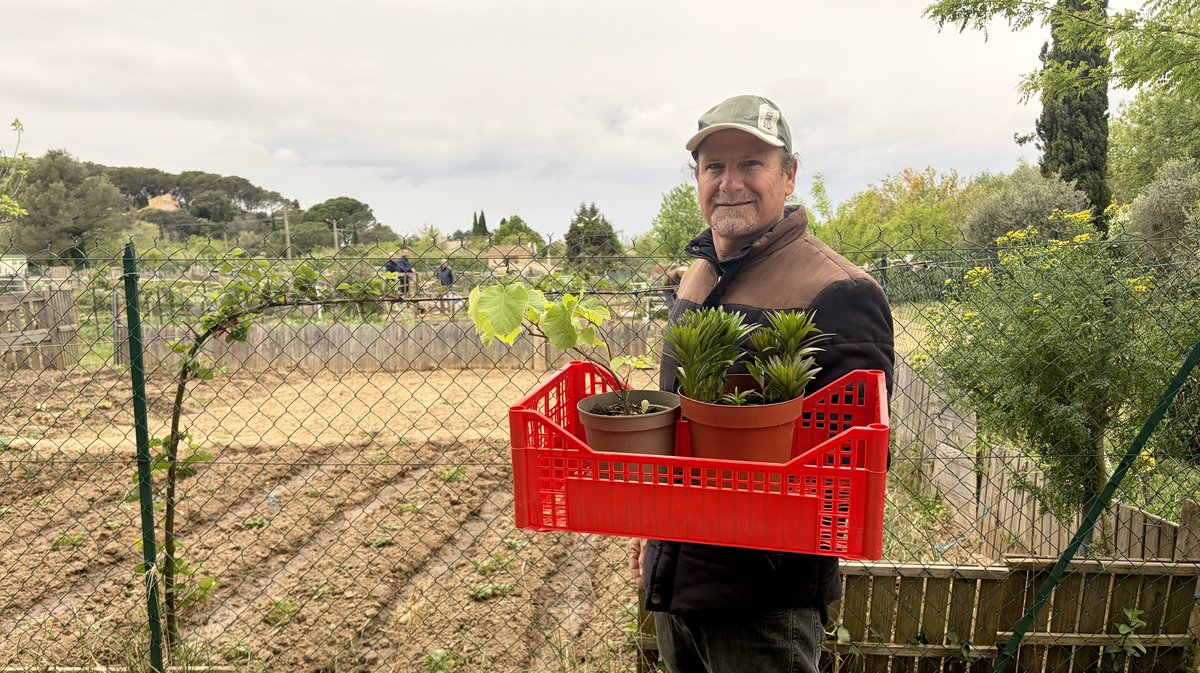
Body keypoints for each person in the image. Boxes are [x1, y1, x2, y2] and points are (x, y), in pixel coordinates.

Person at [630, 95, 895, 672]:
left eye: (751, 163)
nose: (730, 183)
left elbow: (855, 466)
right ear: (697, 179)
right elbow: (677, 425)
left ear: (789, 174)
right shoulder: (699, 273)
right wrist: (655, 530)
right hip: (677, 582)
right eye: (714, 166)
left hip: (762, 605)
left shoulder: (838, 291)